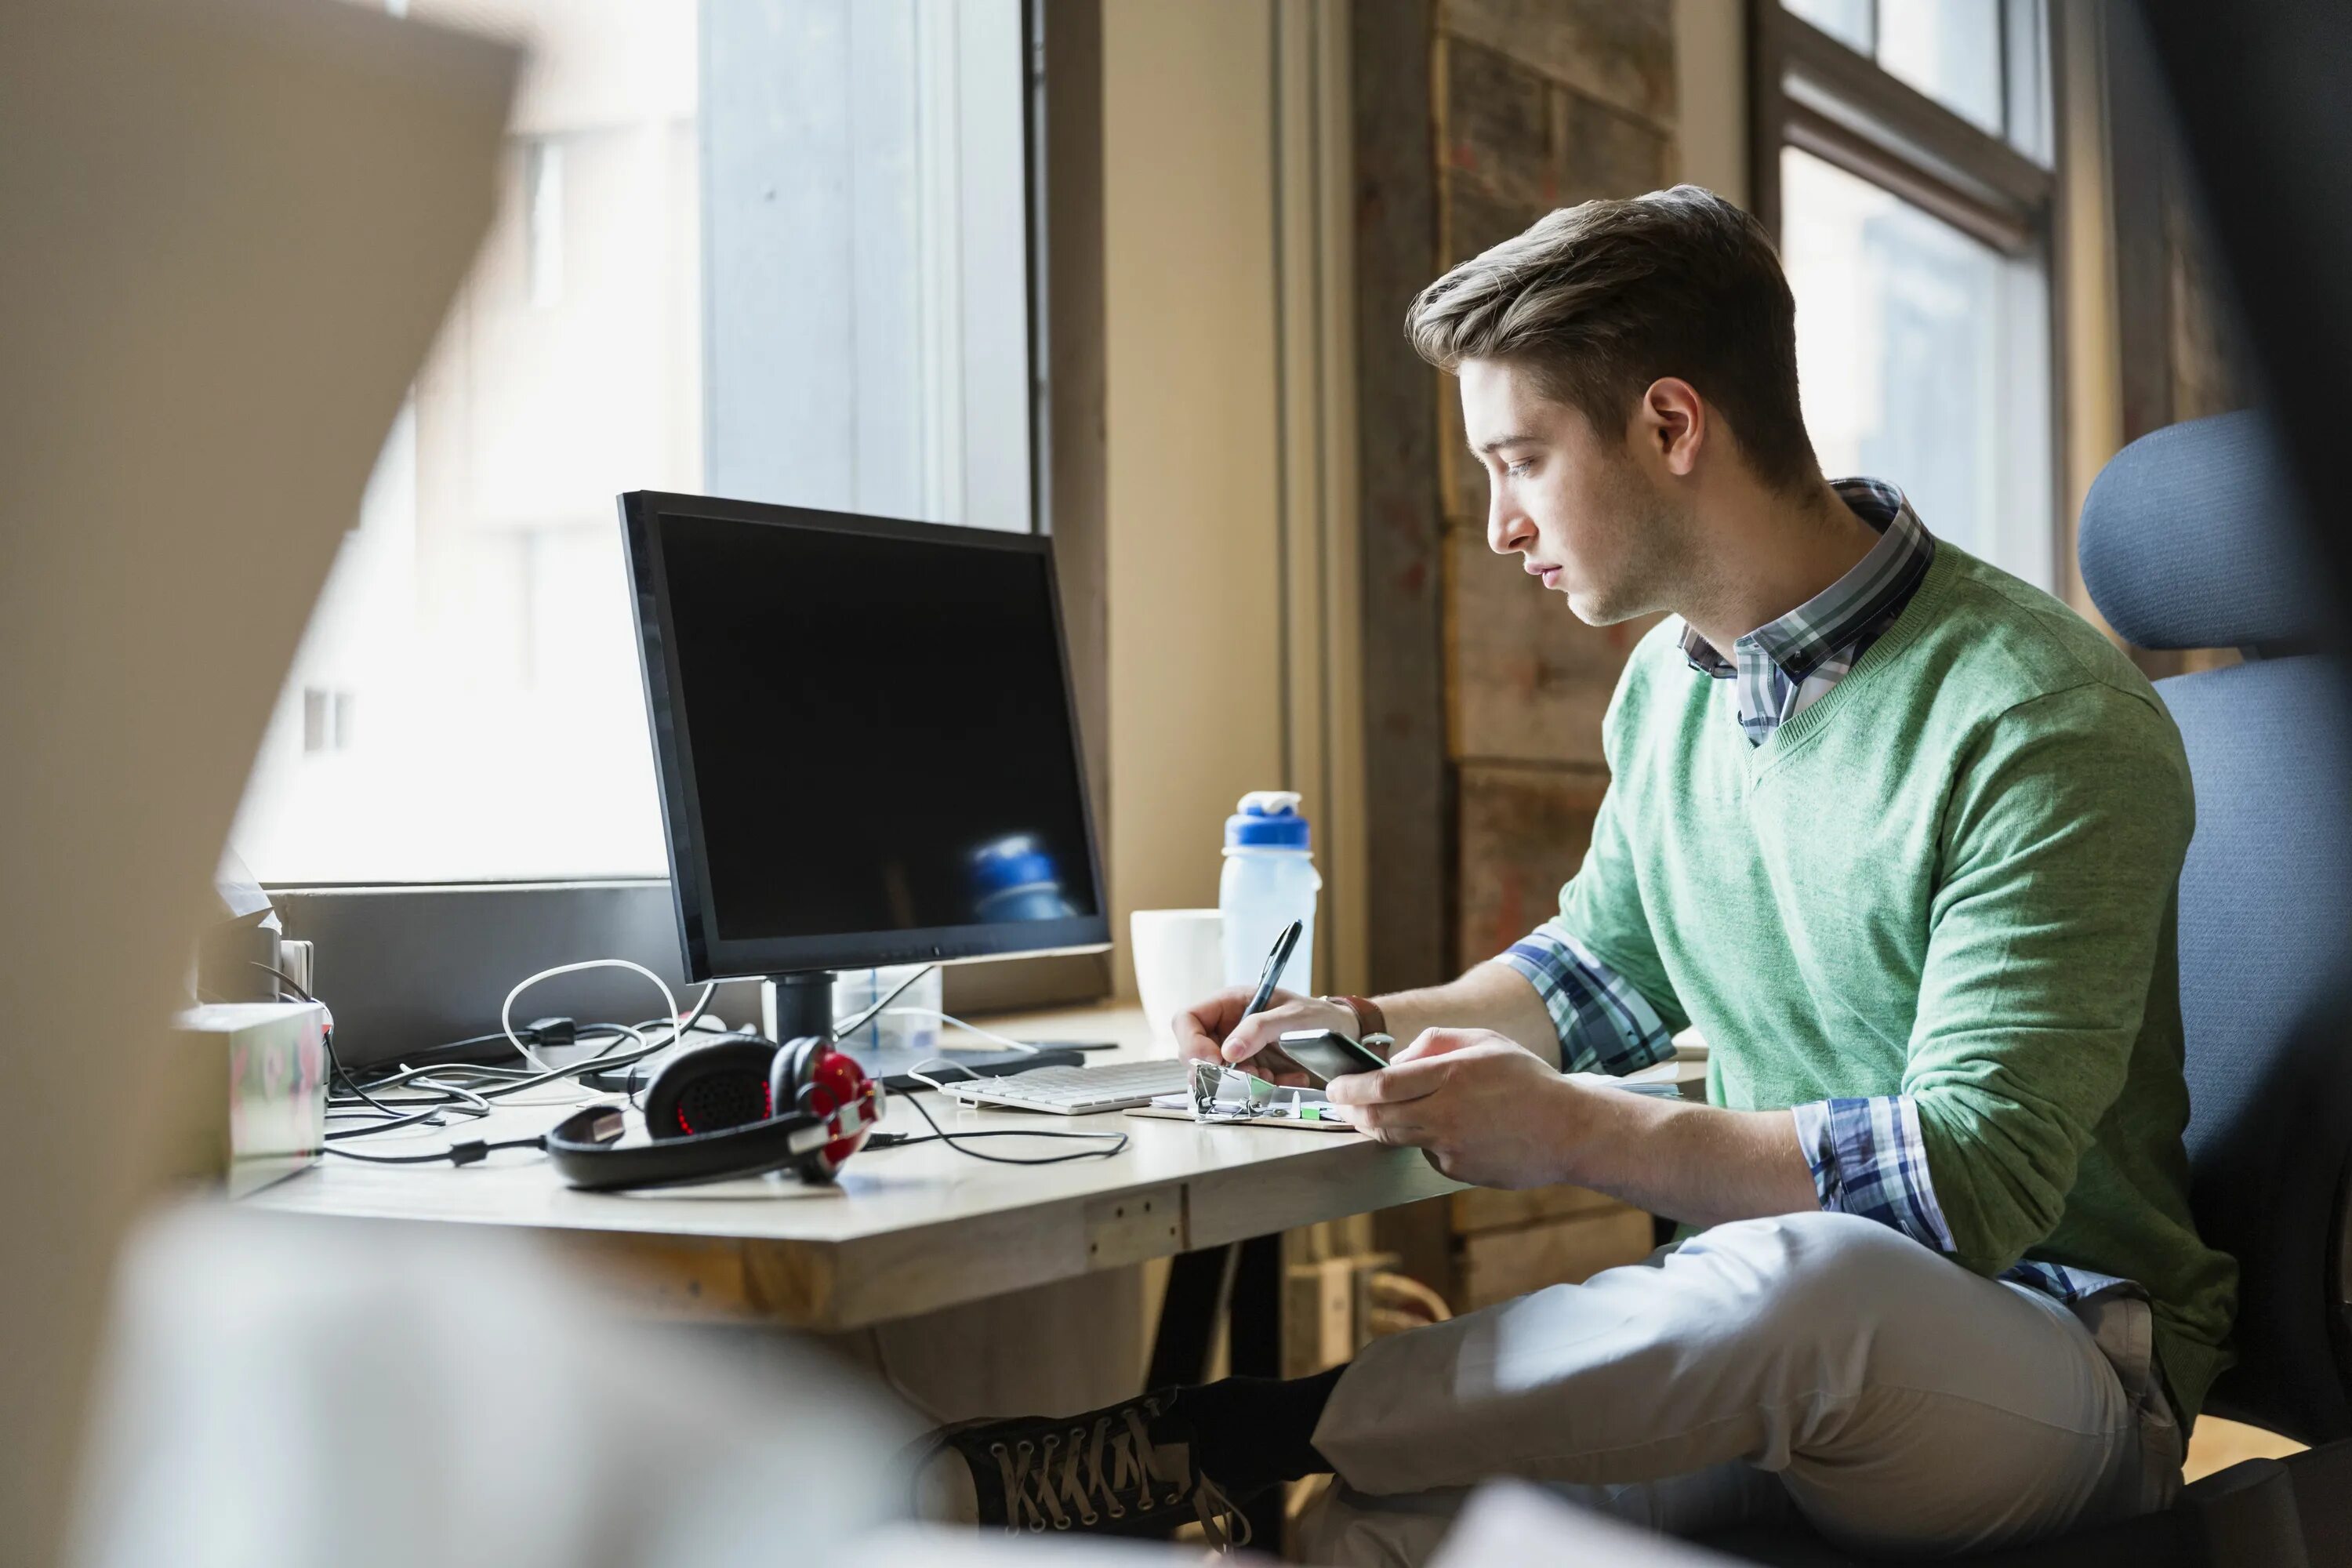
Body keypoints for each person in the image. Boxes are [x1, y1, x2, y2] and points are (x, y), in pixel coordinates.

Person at [906, 185, 2236, 1562]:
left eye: (1520, 460)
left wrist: (1575, 1131)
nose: (1497, 525)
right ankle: (1257, 1460)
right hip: (1770, 1350)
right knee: (1382, 1525)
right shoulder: (1671, 685)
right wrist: (1354, 1029)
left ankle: (1217, 1434)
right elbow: (1592, 971)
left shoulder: (2038, 714)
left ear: (1671, 426)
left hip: (2055, 1358)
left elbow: (1969, 1185)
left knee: (1818, 1282)